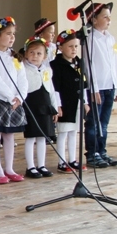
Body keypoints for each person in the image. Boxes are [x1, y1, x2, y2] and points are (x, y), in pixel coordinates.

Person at [0, 16, 27, 184]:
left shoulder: (15, 56)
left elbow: (23, 79)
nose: (12, 37)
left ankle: (9, 168)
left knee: (10, 136)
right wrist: (10, 97)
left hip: (15, 102)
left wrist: (20, 97)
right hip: (0, 100)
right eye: (8, 34)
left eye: (13, 34)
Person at [82, 3, 117, 168]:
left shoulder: (110, 38)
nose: (109, 20)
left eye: (109, 16)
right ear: (94, 19)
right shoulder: (89, 38)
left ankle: (102, 150)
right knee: (93, 122)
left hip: (109, 85)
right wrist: (94, 88)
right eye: (105, 17)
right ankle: (92, 154)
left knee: (104, 122)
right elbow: (88, 65)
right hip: (97, 88)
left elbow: (114, 63)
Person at [50, 30, 88, 173]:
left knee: (74, 132)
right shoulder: (56, 65)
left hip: (77, 104)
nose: (74, 49)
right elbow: (56, 88)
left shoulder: (79, 63)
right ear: (60, 47)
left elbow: (83, 84)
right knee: (63, 132)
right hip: (65, 104)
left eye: (76, 46)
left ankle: (72, 159)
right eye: (70, 46)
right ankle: (61, 162)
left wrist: (85, 102)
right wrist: (58, 105)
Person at [22, 37, 58, 178]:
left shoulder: (47, 70)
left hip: (45, 106)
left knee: (43, 137)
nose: (35, 56)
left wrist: (55, 107)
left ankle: (41, 165)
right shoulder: (23, 69)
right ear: (26, 53)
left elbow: (51, 90)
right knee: (31, 137)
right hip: (31, 105)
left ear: (45, 56)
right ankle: (30, 166)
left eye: (39, 53)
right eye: (31, 52)